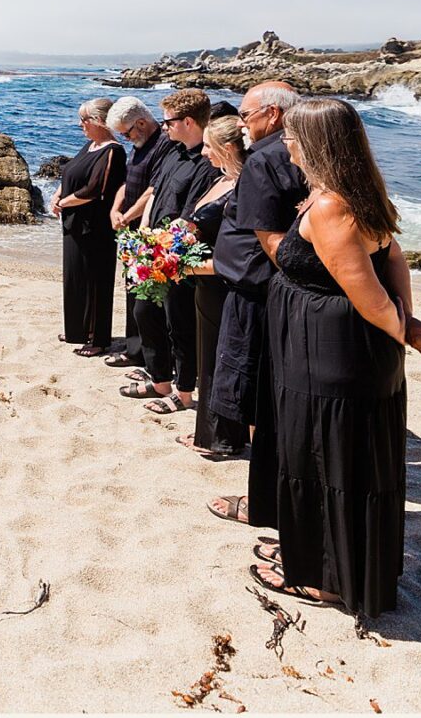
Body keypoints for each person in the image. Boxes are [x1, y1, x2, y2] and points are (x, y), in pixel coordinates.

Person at [252, 98, 421, 614]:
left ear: (315, 144)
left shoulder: (330, 205)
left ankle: (324, 577)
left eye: (292, 137)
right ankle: (322, 556)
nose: (285, 144)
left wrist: (405, 331)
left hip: (332, 355)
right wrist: (409, 321)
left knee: (322, 455)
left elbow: (368, 294)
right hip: (344, 350)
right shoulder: (360, 192)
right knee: (344, 458)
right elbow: (395, 260)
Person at [205, 81, 307, 529]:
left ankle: (262, 498)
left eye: (246, 116)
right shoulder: (290, 154)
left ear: (272, 114)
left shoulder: (265, 159)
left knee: (256, 399)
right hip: (275, 292)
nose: (241, 125)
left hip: (258, 294)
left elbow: (268, 238)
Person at [119, 89, 221, 413]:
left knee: (180, 323)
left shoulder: (207, 162)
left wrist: (162, 249)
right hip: (153, 245)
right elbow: (154, 192)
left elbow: (192, 216)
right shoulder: (173, 152)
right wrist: (143, 237)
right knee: (144, 313)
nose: (163, 128)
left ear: (188, 121)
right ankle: (160, 378)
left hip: (178, 253)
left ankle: (183, 391)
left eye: (168, 122)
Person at [181, 115, 251, 458]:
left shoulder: (244, 186)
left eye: (208, 146)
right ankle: (207, 434)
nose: (204, 152)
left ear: (226, 148)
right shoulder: (221, 179)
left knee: (222, 359)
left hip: (221, 281)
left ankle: (222, 438)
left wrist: (189, 263)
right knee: (208, 357)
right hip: (204, 281)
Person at [100, 96, 175, 370]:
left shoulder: (163, 145)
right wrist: (115, 209)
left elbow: (154, 189)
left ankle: (148, 353)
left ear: (141, 122)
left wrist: (128, 216)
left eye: (127, 132)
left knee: (148, 295)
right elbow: (128, 181)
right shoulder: (139, 143)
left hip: (147, 227)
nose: (126, 138)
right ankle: (135, 349)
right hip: (130, 226)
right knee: (132, 289)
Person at [50, 98, 125, 355]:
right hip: (74, 223)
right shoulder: (91, 145)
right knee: (75, 277)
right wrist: (57, 195)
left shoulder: (113, 151)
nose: (81, 124)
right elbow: (70, 172)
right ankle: (77, 330)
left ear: (101, 122)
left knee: (96, 280)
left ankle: (99, 339)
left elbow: (95, 190)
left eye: (85, 119)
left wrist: (66, 202)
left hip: (95, 227)